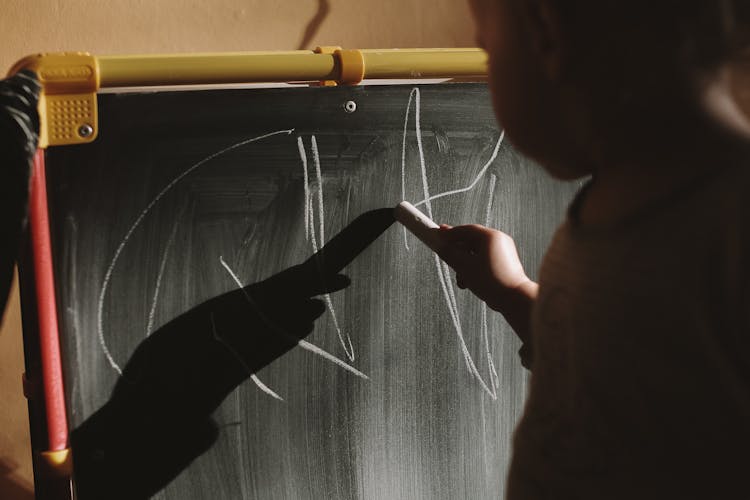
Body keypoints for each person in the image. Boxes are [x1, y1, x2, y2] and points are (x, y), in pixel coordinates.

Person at [438, 0, 750, 498]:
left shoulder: (729, 226)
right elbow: (606, 373)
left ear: (547, 32)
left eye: (486, 48)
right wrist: (515, 294)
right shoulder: (614, 202)